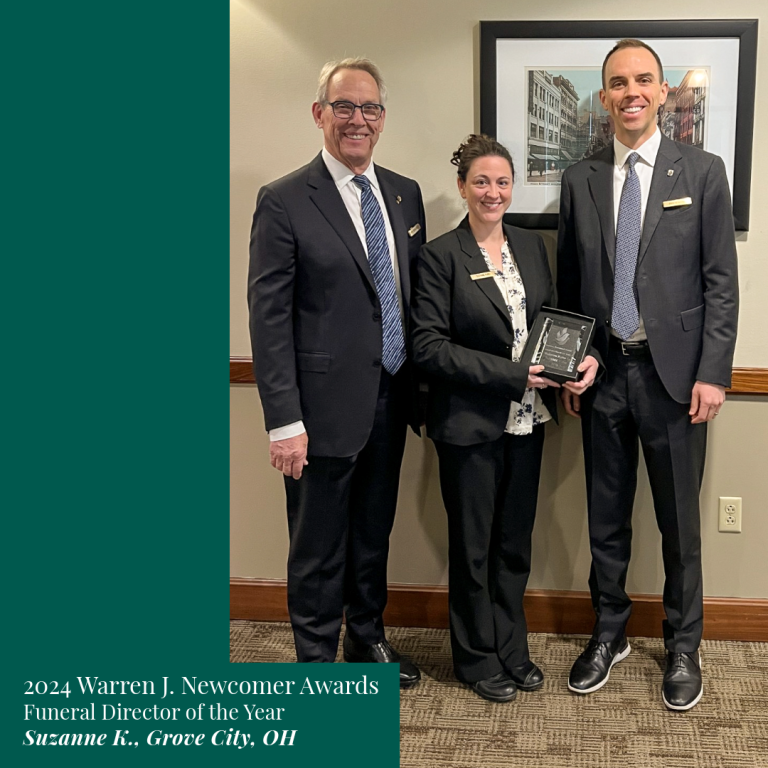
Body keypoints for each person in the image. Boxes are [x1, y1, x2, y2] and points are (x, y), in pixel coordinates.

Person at [557, 39, 738, 710]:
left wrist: (714, 373)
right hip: (602, 378)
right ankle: (610, 632)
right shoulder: (579, 179)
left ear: (663, 92)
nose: (630, 91)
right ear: (603, 97)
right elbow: (570, 287)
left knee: (679, 525)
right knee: (605, 517)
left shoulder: (703, 171)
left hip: (677, 381)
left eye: (643, 80)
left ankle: (683, 644)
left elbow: (721, 283)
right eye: (617, 83)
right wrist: (567, 364)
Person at [248, 57, 426, 685]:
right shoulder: (285, 200)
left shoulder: (403, 194)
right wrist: (283, 421)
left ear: (383, 117)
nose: (358, 120)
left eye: (370, 108)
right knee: (318, 546)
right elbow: (268, 321)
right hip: (318, 409)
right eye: (344, 107)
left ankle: (367, 638)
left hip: (391, 396)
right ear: (319, 113)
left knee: (374, 530)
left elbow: (408, 298)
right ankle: (317, 662)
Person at [411, 135, 577, 702]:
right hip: (469, 425)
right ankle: (476, 658)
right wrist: (512, 376)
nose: (493, 191)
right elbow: (428, 347)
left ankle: (512, 649)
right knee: (473, 547)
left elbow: (551, 320)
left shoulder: (532, 248)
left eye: (502, 182)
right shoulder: (439, 256)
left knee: (514, 544)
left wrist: (569, 362)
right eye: (481, 181)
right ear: (462, 187)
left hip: (528, 423)